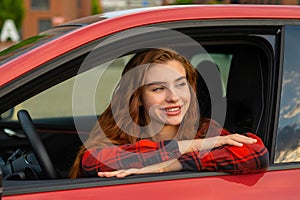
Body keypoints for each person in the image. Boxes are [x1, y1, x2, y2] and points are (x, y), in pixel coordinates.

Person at [70, 48, 269, 178]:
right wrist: (194, 145)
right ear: (138, 97)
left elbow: (256, 154)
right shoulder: (120, 132)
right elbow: (91, 161)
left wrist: (172, 165)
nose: (173, 97)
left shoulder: (203, 128)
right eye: (158, 89)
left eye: (181, 85)